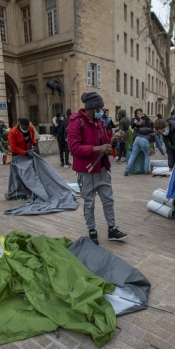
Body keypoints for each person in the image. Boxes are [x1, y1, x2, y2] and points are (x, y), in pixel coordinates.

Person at [67, 92, 127, 245]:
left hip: (102, 169)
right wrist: (97, 148)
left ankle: (112, 229)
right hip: (86, 171)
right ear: (93, 108)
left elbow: (106, 142)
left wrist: (113, 140)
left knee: (108, 200)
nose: (102, 111)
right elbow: (74, 149)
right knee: (89, 203)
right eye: (99, 108)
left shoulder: (100, 122)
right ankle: (92, 230)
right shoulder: (76, 122)